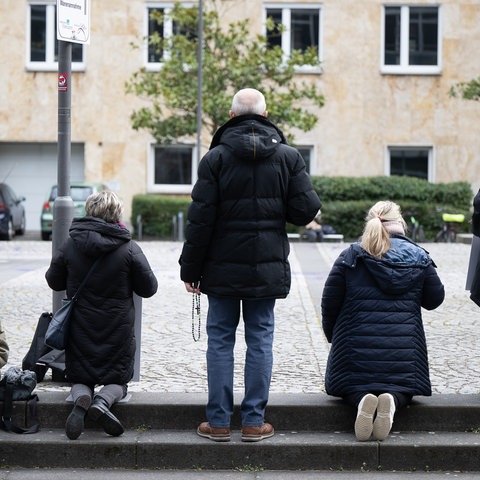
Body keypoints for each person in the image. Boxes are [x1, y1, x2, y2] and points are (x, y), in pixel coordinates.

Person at [179, 88, 321, 442]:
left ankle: (220, 422)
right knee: (260, 340)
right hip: (266, 268)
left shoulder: (215, 159)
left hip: (221, 269)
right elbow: (306, 211)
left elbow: (200, 222)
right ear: (266, 113)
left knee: (220, 341)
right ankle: (255, 422)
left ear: (231, 116)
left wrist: (190, 270)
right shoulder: (288, 157)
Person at [321, 200, 445, 442]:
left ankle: (361, 401)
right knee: (403, 387)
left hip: (355, 350)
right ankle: (393, 400)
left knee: (351, 385)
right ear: (400, 223)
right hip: (404, 354)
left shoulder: (351, 255)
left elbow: (329, 303)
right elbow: (435, 299)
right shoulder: (420, 256)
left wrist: (334, 339)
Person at [45, 190, 158, 440]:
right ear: (116, 214)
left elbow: (54, 281)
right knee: (119, 380)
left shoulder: (71, 244)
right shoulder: (128, 248)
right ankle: (103, 401)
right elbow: (149, 288)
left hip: (79, 329)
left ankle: (83, 398)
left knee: (79, 376)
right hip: (117, 330)